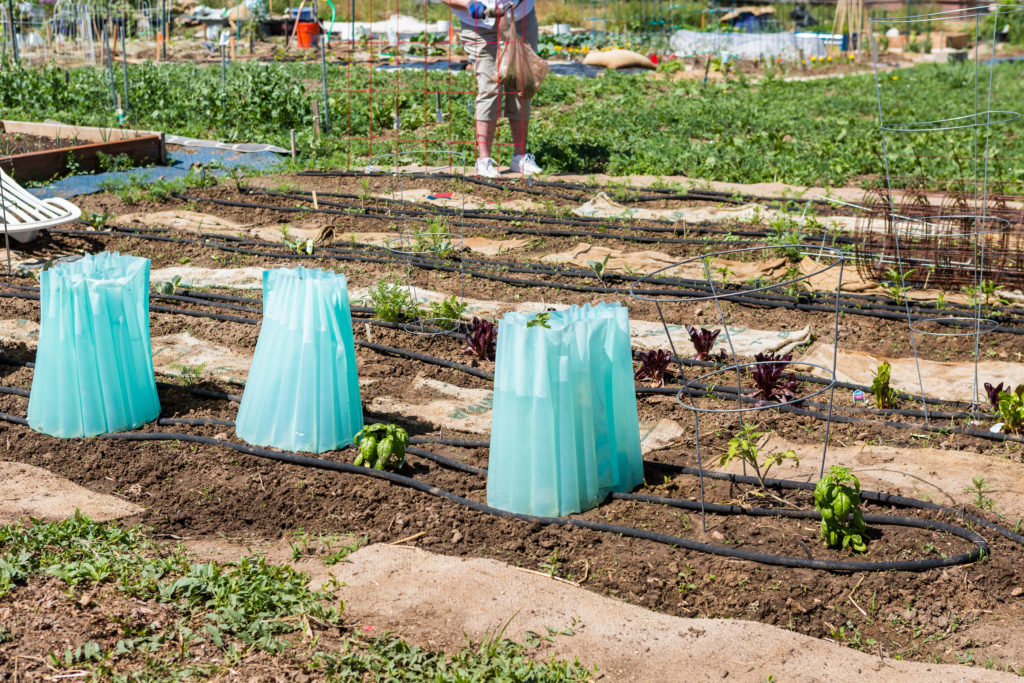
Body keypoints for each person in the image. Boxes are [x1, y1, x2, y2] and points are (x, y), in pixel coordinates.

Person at [436, 0, 543, 178]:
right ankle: (484, 160)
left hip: (520, 17)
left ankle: (520, 157)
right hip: (479, 25)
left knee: (520, 84)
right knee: (490, 88)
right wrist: (468, 3)